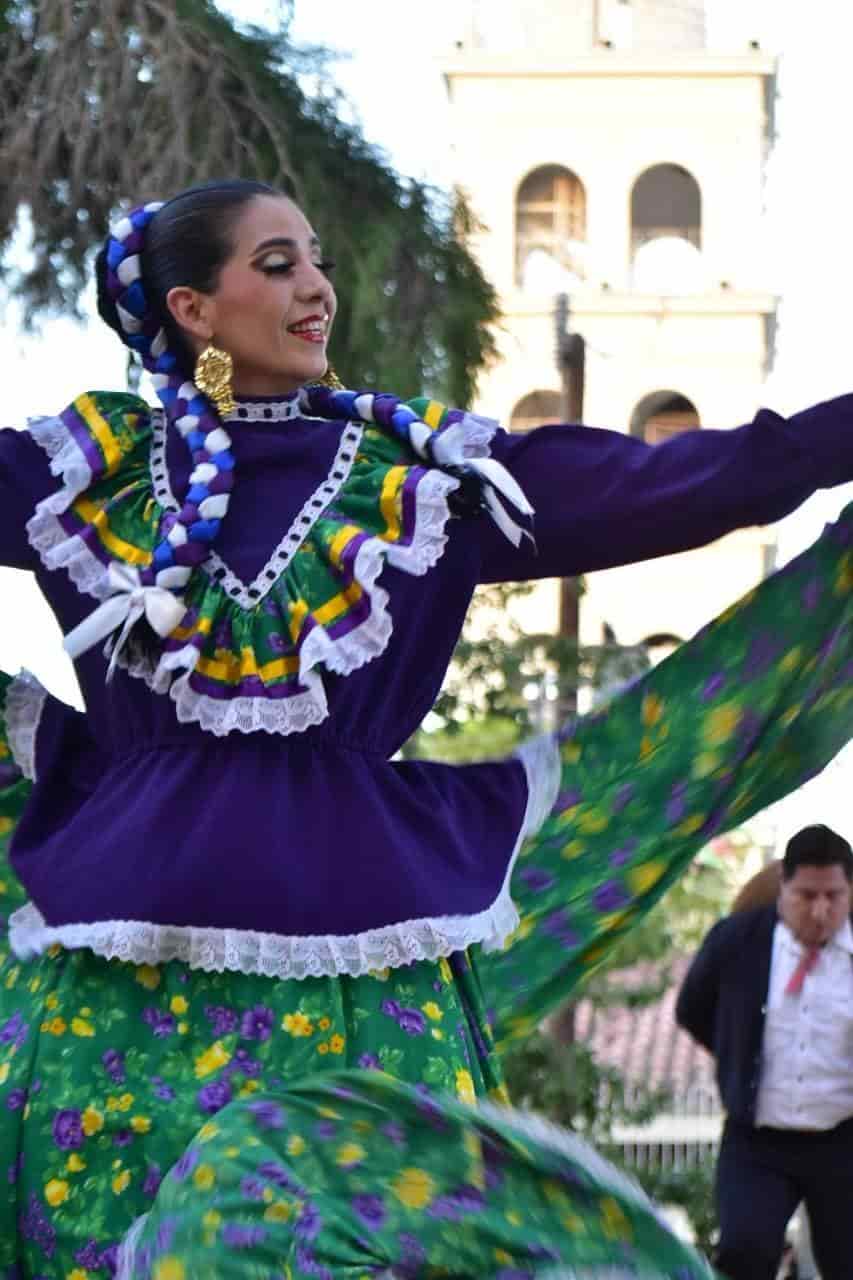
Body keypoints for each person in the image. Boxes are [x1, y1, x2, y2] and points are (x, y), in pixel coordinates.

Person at [0, 177, 850, 1276]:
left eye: (319, 263)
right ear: (191, 310)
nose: (316, 288)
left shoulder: (425, 479)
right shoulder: (89, 471)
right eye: (277, 264)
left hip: (363, 964)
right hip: (120, 973)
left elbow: (679, 479)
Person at [676, 824, 853, 1280]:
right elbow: (693, 1009)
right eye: (805, 896)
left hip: (843, 1138)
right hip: (758, 1141)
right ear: (783, 890)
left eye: (833, 896)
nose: (820, 910)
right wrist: (739, 1054)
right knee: (743, 1253)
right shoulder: (736, 941)